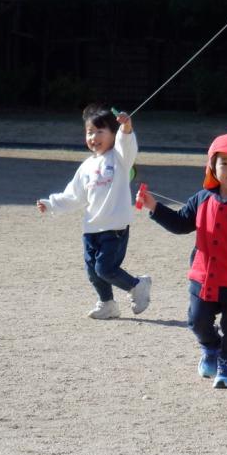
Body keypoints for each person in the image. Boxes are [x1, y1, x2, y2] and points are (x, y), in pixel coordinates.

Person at [136, 133, 227, 388]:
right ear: (212, 166)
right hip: (203, 278)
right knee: (197, 320)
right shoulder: (202, 198)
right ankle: (211, 348)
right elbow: (181, 223)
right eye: (225, 163)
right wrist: (154, 207)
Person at [37, 103, 151, 320]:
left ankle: (137, 285)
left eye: (100, 131)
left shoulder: (120, 158)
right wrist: (51, 204)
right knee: (93, 272)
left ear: (113, 134)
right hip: (91, 228)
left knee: (105, 269)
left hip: (114, 228)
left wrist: (126, 128)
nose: (94, 137)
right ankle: (107, 304)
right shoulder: (87, 166)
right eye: (90, 132)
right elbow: (74, 195)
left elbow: (127, 144)